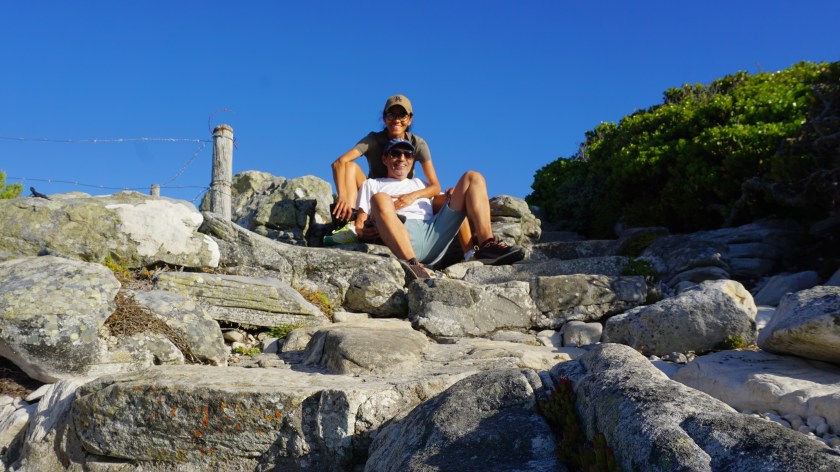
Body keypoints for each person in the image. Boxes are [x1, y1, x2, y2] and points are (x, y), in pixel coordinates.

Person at [355, 138, 524, 279]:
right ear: (384, 159)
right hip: (400, 232)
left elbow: (443, 203)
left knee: (473, 177)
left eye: (407, 154)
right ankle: (413, 265)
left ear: (412, 160)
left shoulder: (421, 184)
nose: (402, 158)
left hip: (433, 233)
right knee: (380, 198)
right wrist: (363, 232)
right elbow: (360, 224)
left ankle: (487, 245)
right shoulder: (372, 184)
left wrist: (453, 195)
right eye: (395, 153)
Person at [331, 94, 441, 224]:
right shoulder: (373, 140)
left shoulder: (418, 144)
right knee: (350, 167)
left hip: (400, 194)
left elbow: (435, 187)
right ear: (384, 118)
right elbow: (339, 162)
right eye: (391, 115)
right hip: (374, 192)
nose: (397, 120)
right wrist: (342, 196)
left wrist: (411, 196)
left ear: (410, 119)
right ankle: (349, 219)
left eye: (402, 116)